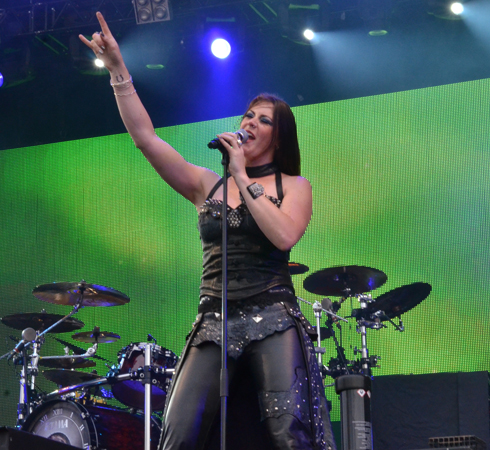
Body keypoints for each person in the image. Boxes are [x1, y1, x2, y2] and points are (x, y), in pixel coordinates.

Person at [80, 12, 336, 450]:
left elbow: (283, 236)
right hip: (213, 319)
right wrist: (118, 69)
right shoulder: (206, 184)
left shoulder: (294, 186)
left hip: (273, 316)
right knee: (178, 431)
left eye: (263, 120)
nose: (250, 123)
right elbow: (146, 139)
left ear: (278, 138)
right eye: (248, 115)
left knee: (288, 432)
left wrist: (242, 175)